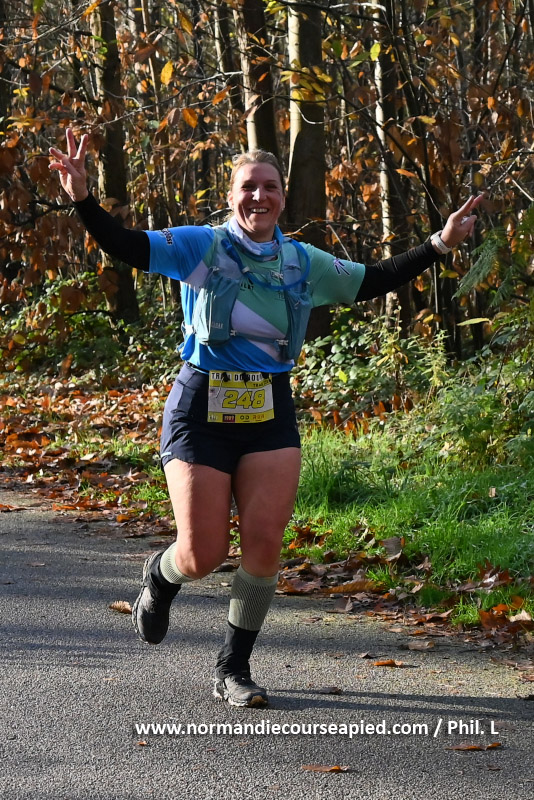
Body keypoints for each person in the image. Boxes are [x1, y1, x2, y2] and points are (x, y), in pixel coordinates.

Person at [49, 128, 483, 708]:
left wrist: (440, 243)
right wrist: (83, 198)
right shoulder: (200, 247)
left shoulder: (302, 262)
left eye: (270, 187)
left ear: (282, 197)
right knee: (202, 555)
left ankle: (233, 668)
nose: (259, 196)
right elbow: (125, 244)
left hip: (269, 411)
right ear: (231, 196)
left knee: (263, 546)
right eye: (248, 187)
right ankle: (161, 575)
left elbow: (373, 279)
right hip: (201, 409)